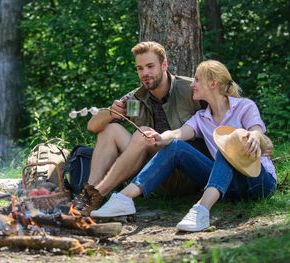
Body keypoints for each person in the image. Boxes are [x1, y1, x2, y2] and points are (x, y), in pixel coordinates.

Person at [90, 60, 276, 232]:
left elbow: (257, 130)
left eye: (196, 79)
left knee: (226, 147)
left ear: (212, 83)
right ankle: (124, 198)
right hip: (227, 188)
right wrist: (161, 137)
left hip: (258, 182)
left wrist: (254, 135)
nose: (191, 84)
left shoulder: (244, 106)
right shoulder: (201, 118)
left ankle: (201, 210)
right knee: (176, 146)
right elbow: (178, 133)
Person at [72, 41, 208, 216]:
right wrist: (111, 113)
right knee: (109, 130)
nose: (145, 73)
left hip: (189, 173)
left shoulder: (189, 89)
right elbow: (92, 126)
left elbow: (225, 108)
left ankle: (99, 194)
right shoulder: (136, 99)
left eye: (150, 66)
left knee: (143, 132)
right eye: (140, 68)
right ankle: (88, 195)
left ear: (164, 64)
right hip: (154, 177)